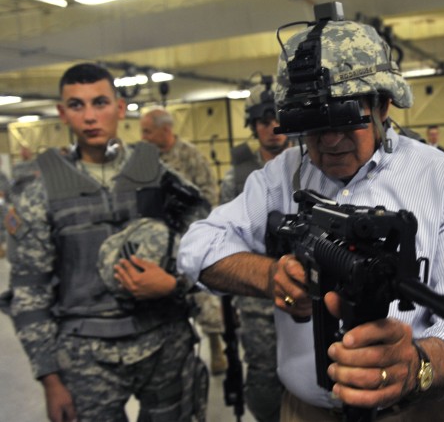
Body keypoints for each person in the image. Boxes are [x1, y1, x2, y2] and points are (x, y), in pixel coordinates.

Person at [178, 5, 444, 422]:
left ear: (383, 105)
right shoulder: (279, 178)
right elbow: (196, 247)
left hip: (424, 408)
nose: (330, 141)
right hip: (309, 409)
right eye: (313, 123)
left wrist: (417, 366)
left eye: (347, 119)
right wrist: (271, 276)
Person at [2, 63, 208, 422]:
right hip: (86, 354)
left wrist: (176, 283)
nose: (90, 117)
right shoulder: (40, 193)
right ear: (63, 113)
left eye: (100, 103)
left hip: (165, 342)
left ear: (120, 107)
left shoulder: (159, 178)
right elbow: (29, 292)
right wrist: (50, 378)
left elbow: (206, 249)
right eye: (77, 106)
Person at [219, 78, 289, 422]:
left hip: (310, 294)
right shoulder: (236, 179)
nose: (273, 129)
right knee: (263, 383)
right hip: (257, 300)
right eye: (264, 122)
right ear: (253, 126)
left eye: (278, 118)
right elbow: (226, 242)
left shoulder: (311, 165)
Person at [140, 107, 228, 375]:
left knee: (201, 293)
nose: (142, 137)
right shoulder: (145, 160)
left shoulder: (189, 155)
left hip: (189, 235)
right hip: (156, 237)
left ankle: (215, 343)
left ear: (165, 130)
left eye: (147, 131)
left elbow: (208, 194)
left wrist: (195, 230)